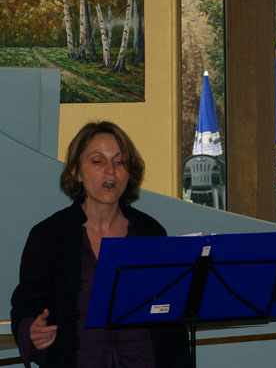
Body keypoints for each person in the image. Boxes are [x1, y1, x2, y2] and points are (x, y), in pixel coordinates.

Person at [11, 121, 191, 368]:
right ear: (76, 172)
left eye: (120, 162)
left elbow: (170, 320)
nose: (110, 171)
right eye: (98, 161)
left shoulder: (150, 232)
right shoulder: (49, 235)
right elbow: (25, 306)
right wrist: (32, 329)